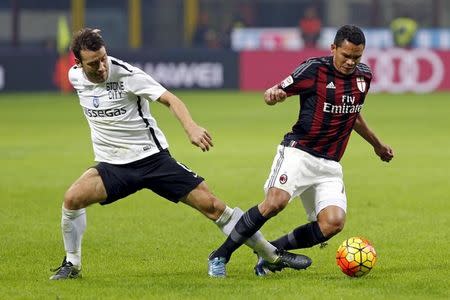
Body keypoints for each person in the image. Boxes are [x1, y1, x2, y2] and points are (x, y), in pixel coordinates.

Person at [49, 28, 309, 280]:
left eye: (103, 58)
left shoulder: (127, 74)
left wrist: (191, 128)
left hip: (153, 160)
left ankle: (272, 256)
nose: (102, 67)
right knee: (72, 199)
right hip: (113, 166)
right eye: (94, 63)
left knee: (214, 206)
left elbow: (171, 100)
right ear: (78, 63)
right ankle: (72, 264)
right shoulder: (75, 77)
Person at [208, 25, 394, 277]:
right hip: (299, 152)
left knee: (333, 223)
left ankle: (272, 253)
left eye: (356, 57)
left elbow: (354, 116)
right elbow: (274, 92)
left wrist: (377, 145)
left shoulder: (364, 77)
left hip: (329, 164)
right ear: (333, 49)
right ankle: (220, 255)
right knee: (275, 203)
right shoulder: (314, 69)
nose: (351, 62)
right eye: (346, 55)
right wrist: (274, 95)